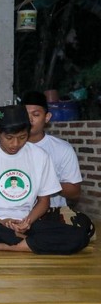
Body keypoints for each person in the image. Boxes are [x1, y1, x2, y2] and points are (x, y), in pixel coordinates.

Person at [0, 105, 91, 254]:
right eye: (9, 138)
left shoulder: (40, 156)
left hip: (27, 223)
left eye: (22, 137)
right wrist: (0, 221)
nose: (15, 144)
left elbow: (44, 201)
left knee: (80, 236)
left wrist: (27, 222)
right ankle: (26, 242)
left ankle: (1, 245)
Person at [20, 91, 94, 236]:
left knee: (81, 230)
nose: (30, 120)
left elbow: (74, 193)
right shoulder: (8, 146)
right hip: (13, 212)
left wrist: (47, 180)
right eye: (25, 114)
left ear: (47, 117)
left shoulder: (61, 149)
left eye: (36, 115)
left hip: (51, 214)